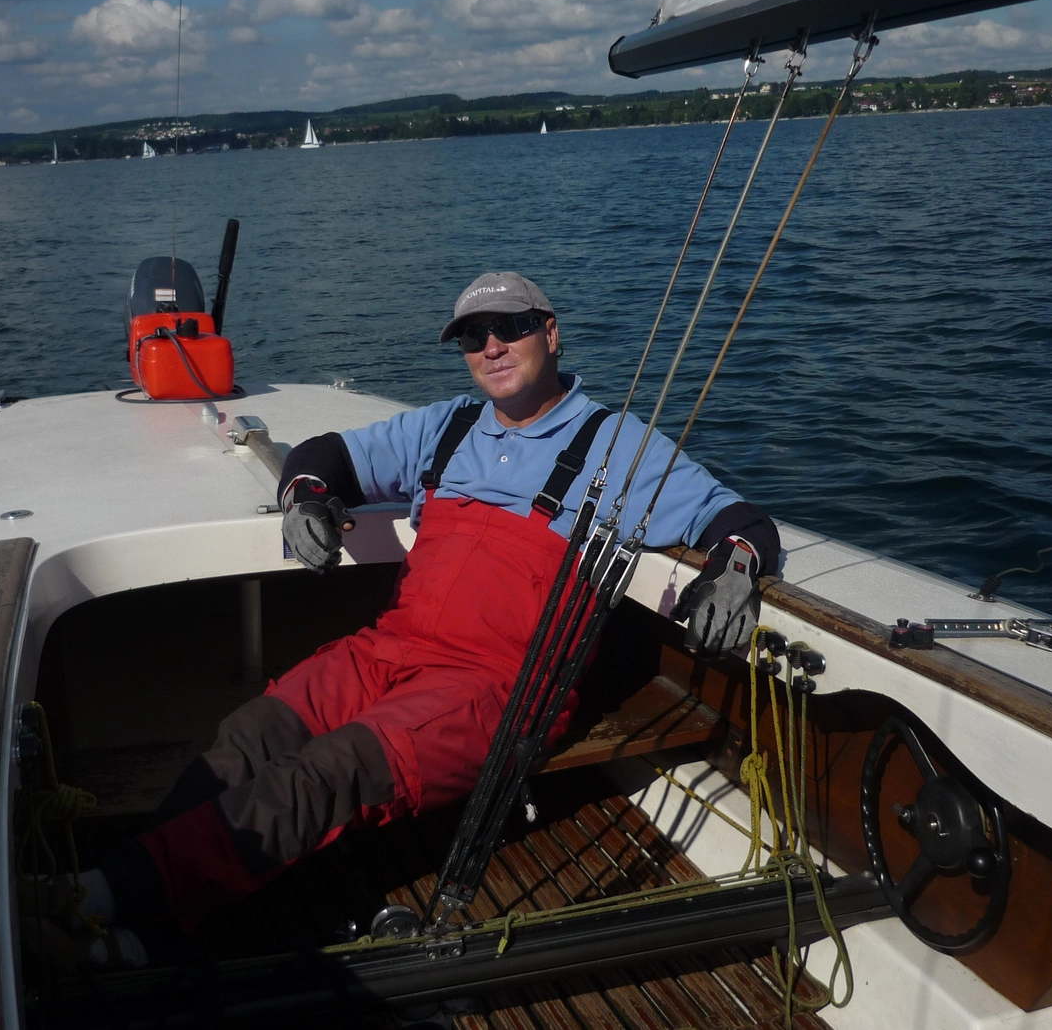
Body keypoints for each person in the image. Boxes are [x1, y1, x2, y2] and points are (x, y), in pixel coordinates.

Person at [79, 271, 779, 951]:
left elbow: (739, 519)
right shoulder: (449, 427)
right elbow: (327, 456)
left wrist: (737, 567)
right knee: (254, 728)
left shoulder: (618, 447)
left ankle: (110, 902)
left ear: (551, 333)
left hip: (496, 687)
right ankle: (135, 902)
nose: (491, 347)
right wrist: (305, 498)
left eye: (509, 328)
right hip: (393, 648)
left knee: (330, 770)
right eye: (473, 337)